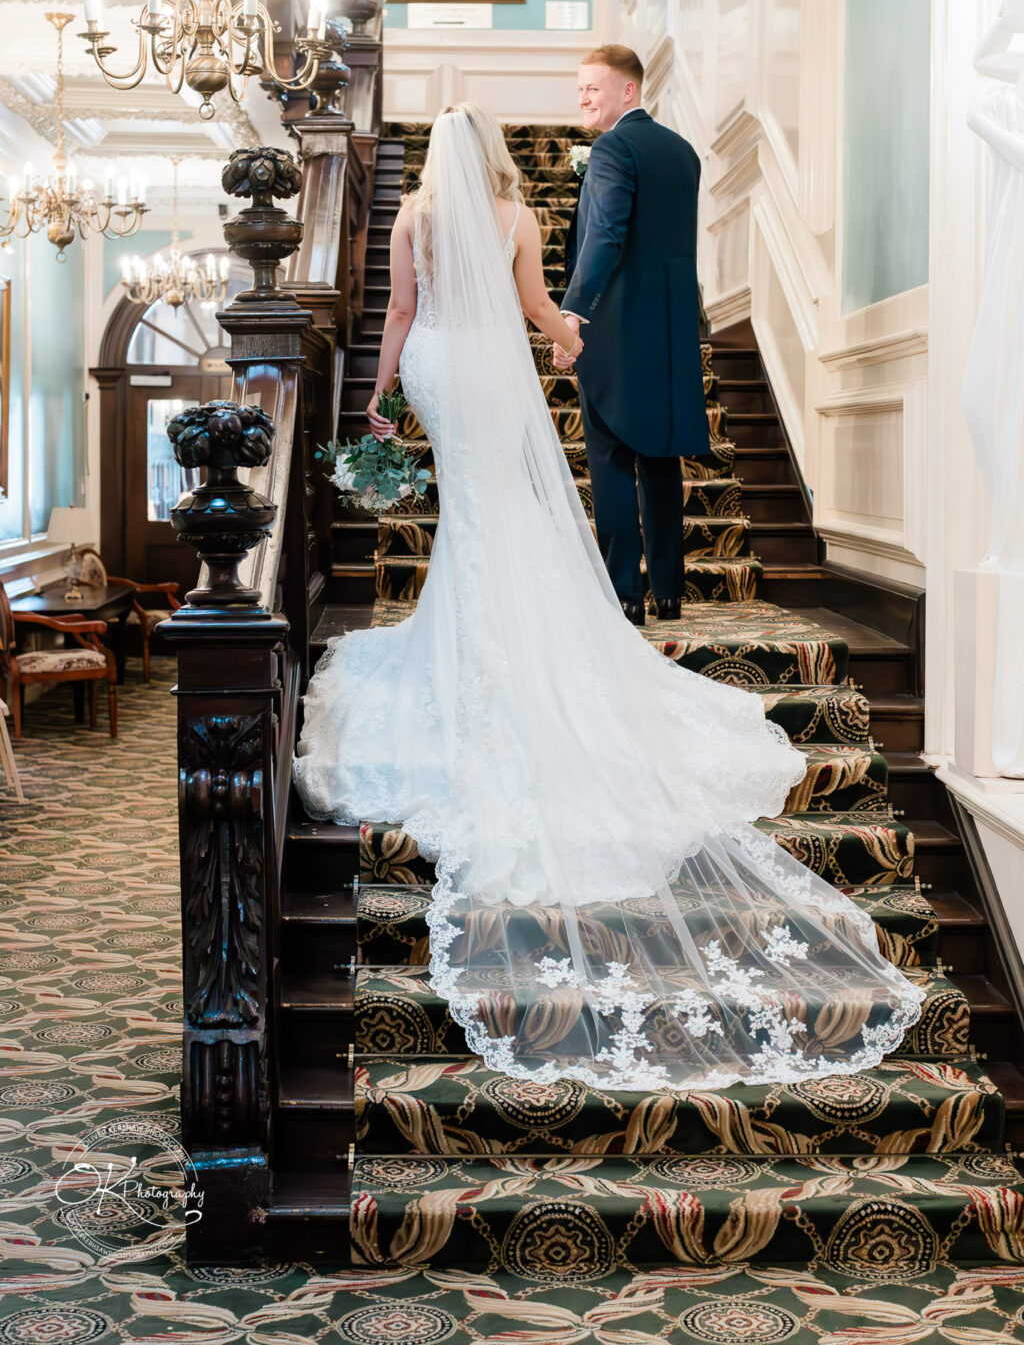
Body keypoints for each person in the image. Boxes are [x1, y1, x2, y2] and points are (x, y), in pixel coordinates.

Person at [293, 102, 924, 1091]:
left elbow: (403, 314)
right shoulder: (516, 216)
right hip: (493, 372)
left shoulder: (413, 215)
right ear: (499, 153)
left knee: (469, 511)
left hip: (440, 370)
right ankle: (523, 646)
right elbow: (537, 306)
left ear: (432, 158)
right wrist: (564, 338)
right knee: (499, 508)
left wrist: (379, 393)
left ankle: (473, 650)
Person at [559, 45, 707, 625]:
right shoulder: (683, 152)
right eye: (579, 89)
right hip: (671, 330)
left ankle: (625, 593)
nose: (583, 98)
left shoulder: (613, 147)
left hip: (617, 330)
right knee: (661, 456)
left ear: (628, 91)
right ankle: (669, 590)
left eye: (592, 88)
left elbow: (606, 238)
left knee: (613, 456)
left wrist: (574, 313)